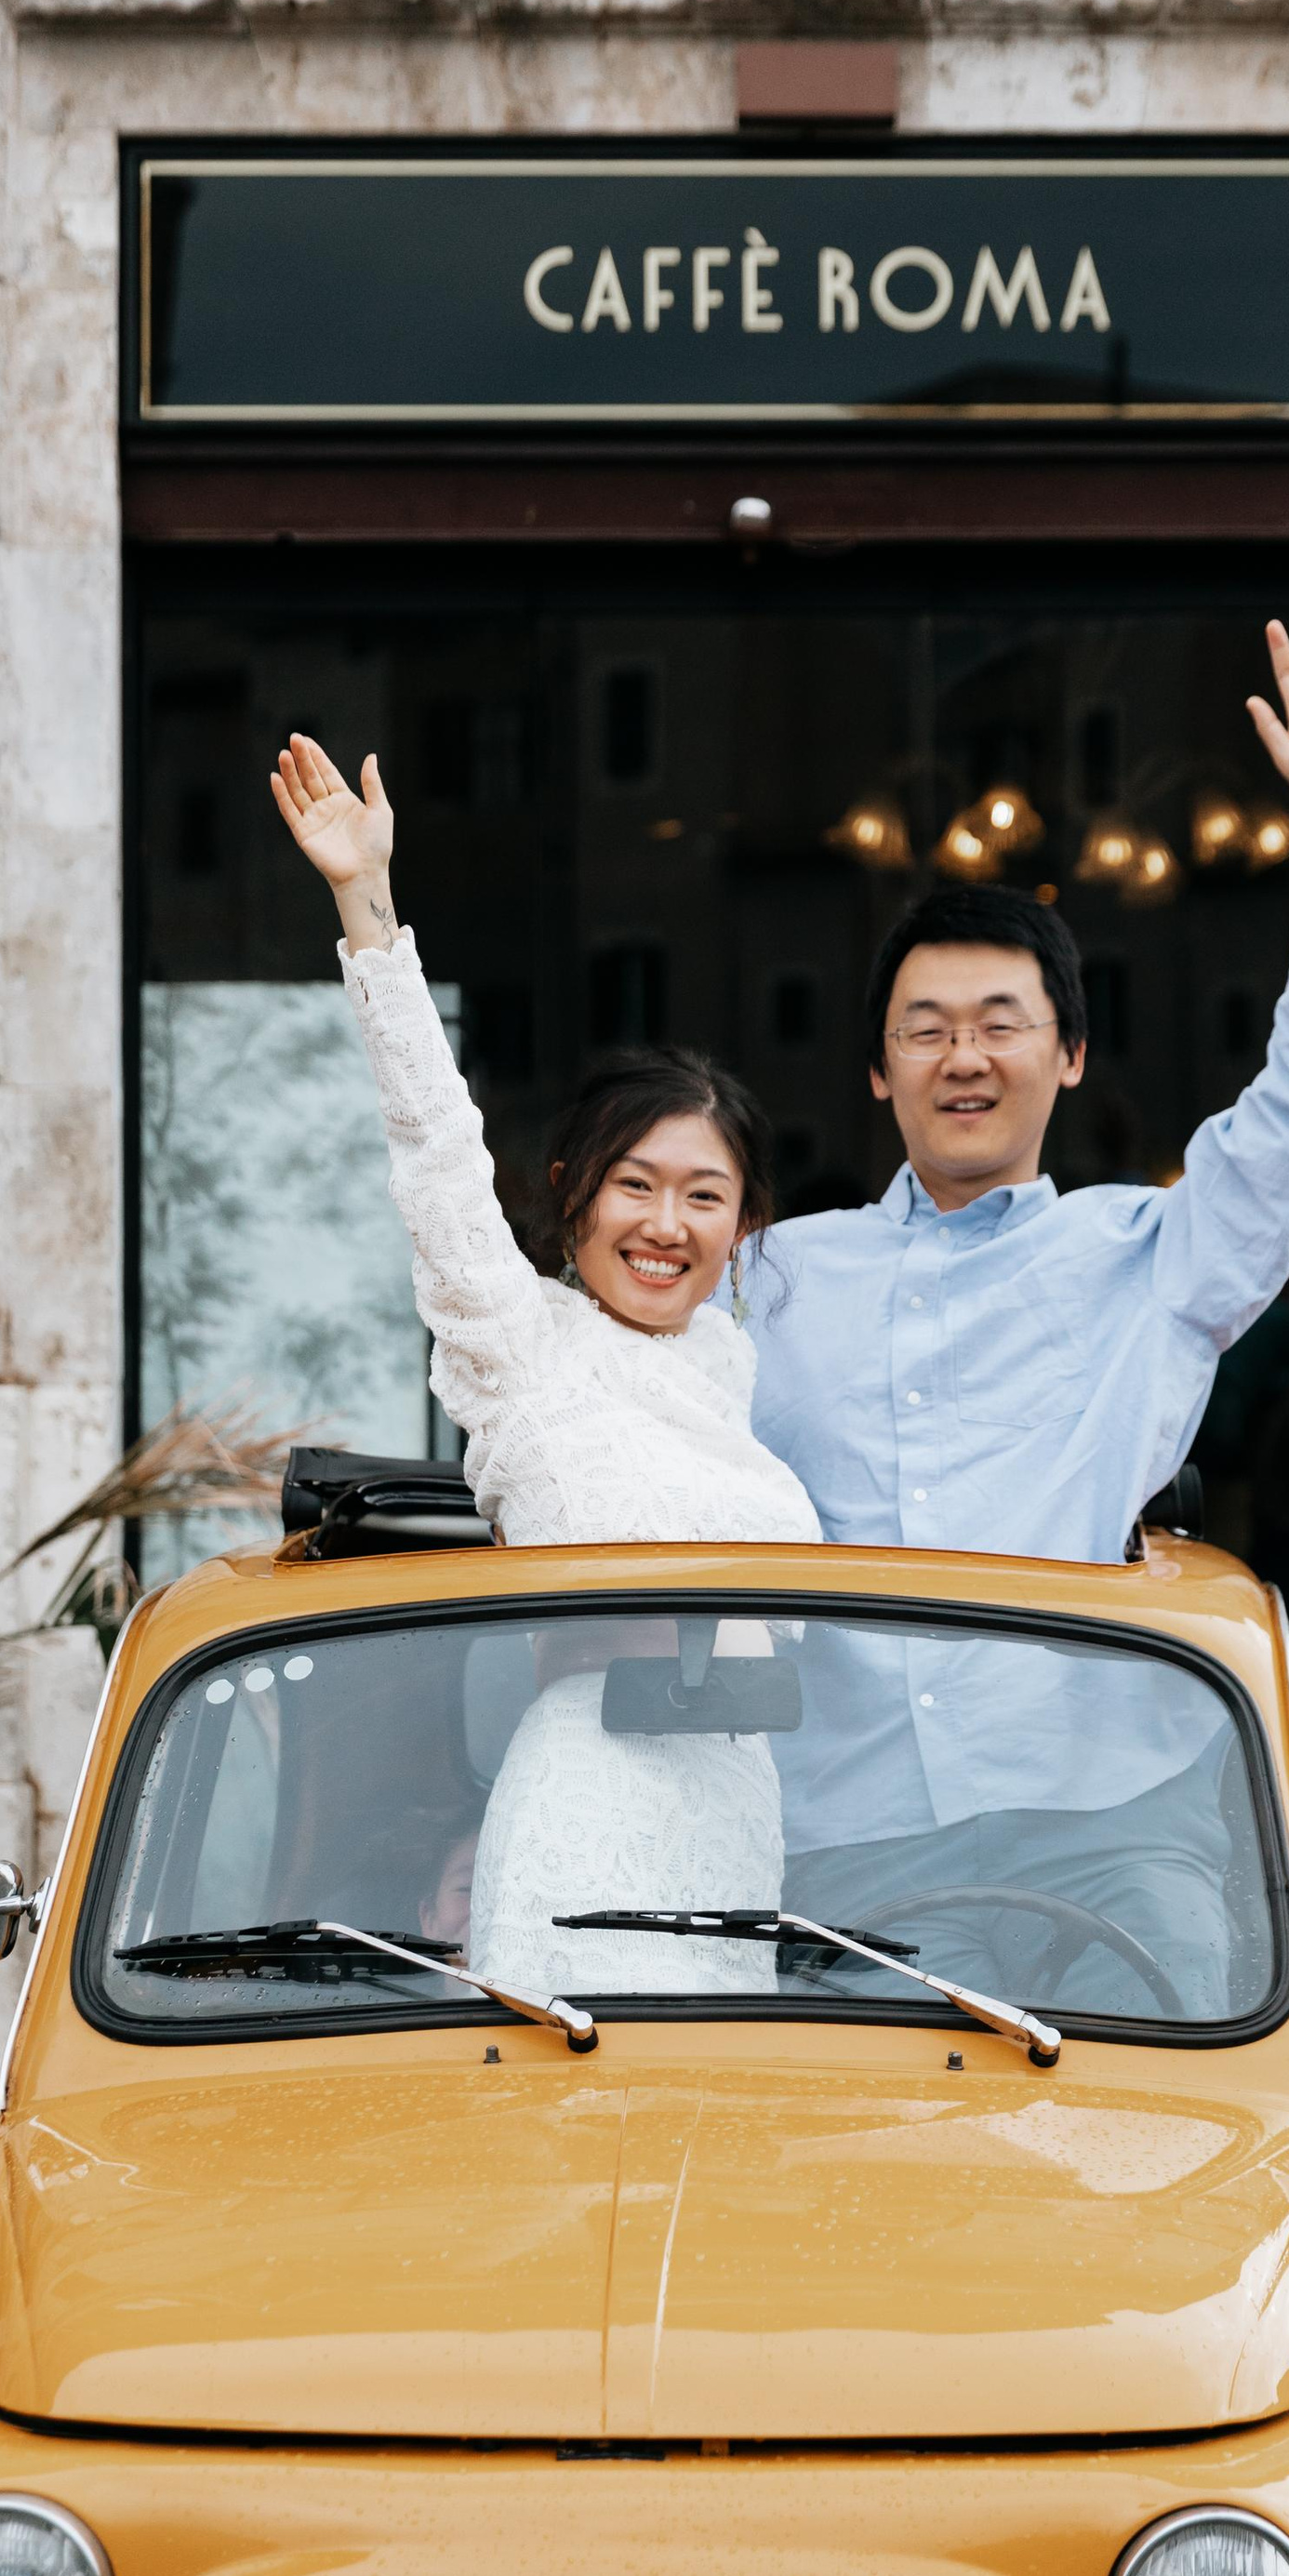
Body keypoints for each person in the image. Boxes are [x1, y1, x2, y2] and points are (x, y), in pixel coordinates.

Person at [751, 607, 1289, 2011]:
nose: (962, 1057)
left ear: (1070, 1053)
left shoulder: (1152, 1255)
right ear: (875, 1072)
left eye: (1001, 1022)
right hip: (849, 1834)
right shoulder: (771, 1277)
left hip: (1114, 1825)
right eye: (924, 1029)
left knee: (1173, 2161)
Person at [269, 732, 817, 1999]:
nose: (666, 1225)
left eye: (703, 1195)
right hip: (590, 1796)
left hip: (739, 1808)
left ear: (742, 1224)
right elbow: (435, 1152)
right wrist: (367, 904)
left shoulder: (728, 1372)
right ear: (572, 1194)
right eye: (636, 1185)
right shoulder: (518, 1342)